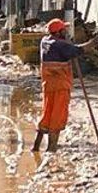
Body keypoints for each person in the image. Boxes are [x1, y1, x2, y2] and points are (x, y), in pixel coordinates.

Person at [32, 19, 83, 153]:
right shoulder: (60, 45)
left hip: (48, 85)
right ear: (59, 32)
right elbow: (79, 50)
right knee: (57, 116)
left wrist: (66, 42)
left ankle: (36, 147)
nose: (66, 32)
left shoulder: (45, 41)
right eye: (64, 30)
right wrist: (95, 42)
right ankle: (51, 149)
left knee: (47, 113)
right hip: (61, 85)